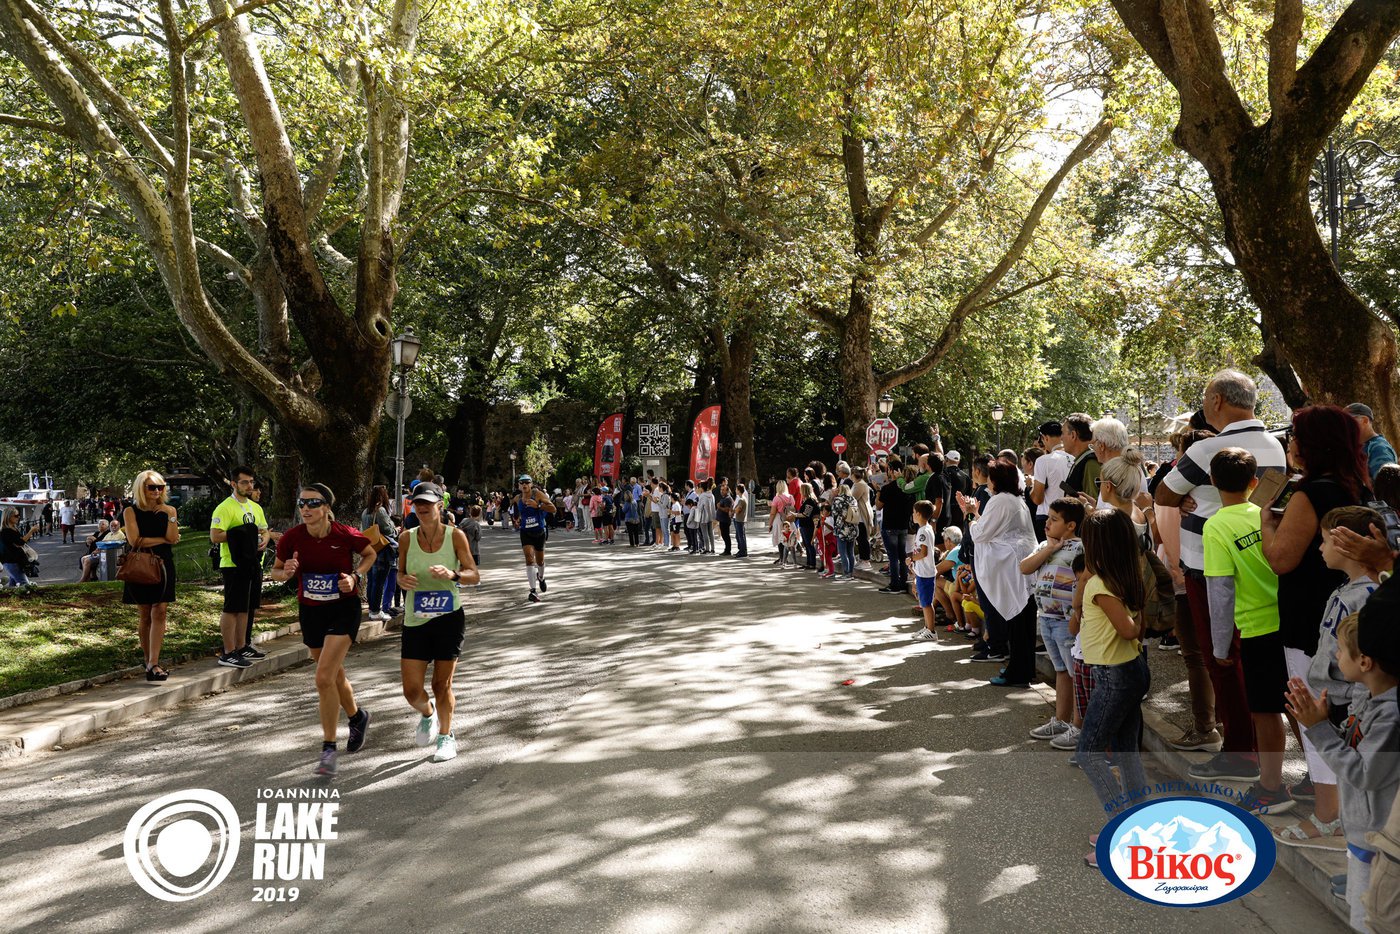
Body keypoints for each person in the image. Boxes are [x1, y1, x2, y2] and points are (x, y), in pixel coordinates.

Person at [1156, 370, 1287, 782]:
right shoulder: (1276, 447)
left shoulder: (1206, 449)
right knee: (1258, 663)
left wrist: (1192, 498)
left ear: (1216, 401)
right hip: (1261, 563)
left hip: (1208, 568)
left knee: (1222, 660)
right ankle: (1259, 754)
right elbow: (1264, 503)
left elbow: (1164, 493)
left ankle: (1239, 754)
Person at [1262, 405, 1369, 803]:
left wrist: (1266, 523)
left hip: (1312, 621)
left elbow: (1280, 559)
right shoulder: (1359, 487)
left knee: (1314, 711)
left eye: (1295, 436)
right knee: (1348, 715)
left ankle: (1326, 813)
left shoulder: (1310, 493)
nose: (1290, 443)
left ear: (1313, 444)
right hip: (1352, 616)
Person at [1285, 612, 1400, 932]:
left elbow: (1363, 773)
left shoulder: (1389, 716)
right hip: (1363, 834)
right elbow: (1355, 753)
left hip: (1376, 840)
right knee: (1362, 915)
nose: (1335, 655)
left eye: (1340, 649)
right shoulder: (1372, 700)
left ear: (1364, 661)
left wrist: (1319, 729)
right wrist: (1322, 724)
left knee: (1370, 922)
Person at [1202, 448, 1294, 815]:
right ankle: (1316, 781)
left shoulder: (1216, 526)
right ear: (1254, 481)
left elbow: (1220, 591)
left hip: (1257, 627)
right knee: (1299, 705)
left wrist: (1220, 645)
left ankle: (1271, 788)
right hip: (1292, 622)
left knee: (1266, 712)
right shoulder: (1269, 512)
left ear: (1212, 481)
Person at [270, 484, 377, 777]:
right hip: (311, 612)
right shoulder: (292, 538)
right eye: (301, 503)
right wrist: (285, 572)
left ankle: (329, 749)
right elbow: (275, 571)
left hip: (343, 610)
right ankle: (357, 717)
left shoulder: (345, 534)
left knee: (323, 677)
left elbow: (370, 554)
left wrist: (356, 577)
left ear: (327, 507)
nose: (305, 508)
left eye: (313, 503)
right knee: (333, 675)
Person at [1074, 508, 1150, 866]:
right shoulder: (1120, 578)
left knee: (1088, 753)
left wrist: (1135, 623)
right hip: (1126, 671)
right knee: (1125, 752)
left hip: (1115, 677)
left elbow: (1128, 629)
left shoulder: (1100, 584)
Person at [396, 483, 479, 763]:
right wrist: (402, 580)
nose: (421, 507)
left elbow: (474, 575)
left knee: (441, 685)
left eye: (427, 503)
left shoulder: (455, 536)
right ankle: (428, 713)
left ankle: (446, 736)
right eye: (417, 503)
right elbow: (399, 573)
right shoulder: (406, 538)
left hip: (448, 619)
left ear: (439, 505)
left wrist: (453, 575)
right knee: (411, 690)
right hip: (416, 619)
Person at [960, 457, 1037, 683]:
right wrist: (975, 514)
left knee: (1017, 623)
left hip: (1011, 568)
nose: (988, 481)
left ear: (997, 480)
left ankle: (1017, 673)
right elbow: (991, 528)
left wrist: (969, 514)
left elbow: (980, 534)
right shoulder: (1015, 499)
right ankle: (1022, 670)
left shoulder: (1000, 500)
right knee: (1022, 623)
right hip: (1020, 565)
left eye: (991, 477)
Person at [1021, 497, 1085, 741]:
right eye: (1048, 518)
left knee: (1075, 673)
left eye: (1054, 519)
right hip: (1046, 618)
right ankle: (1061, 720)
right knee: (1061, 670)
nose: (1047, 523)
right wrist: (1049, 549)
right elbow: (1025, 567)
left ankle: (1078, 727)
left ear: (1071, 525)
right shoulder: (1045, 546)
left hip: (1066, 620)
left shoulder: (1080, 548)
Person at [209, 466, 270, 669]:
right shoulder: (225, 507)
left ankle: (242, 646)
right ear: (234, 484)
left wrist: (265, 538)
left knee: (245, 607)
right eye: (244, 482)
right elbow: (215, 535)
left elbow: (263, 529)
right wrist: (244, 534)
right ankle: (228, 652)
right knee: (232, 608)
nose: (249, 486)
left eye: (251, 482)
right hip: (232, 564)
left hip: (253, 563)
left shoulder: (255, 507)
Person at [122, 470, 179, 681]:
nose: (157, 491)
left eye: (160, 487)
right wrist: (163, 540)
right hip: (141, 564)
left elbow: (173, 537)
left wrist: (170, 514)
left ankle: (154, 662)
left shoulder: (169, 510)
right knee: (145, 613)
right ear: (141, 488)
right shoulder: (130, 511)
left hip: (164, 564)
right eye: (152, 487)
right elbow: (135, 541)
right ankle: (148, 661)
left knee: (160, 611)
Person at [513, 475, 556, 603]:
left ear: (531, 484)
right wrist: (517, 519)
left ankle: (541, 577)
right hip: (525, 532)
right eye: (522, 483)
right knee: (529, 559)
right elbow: (516, 511)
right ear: (519, 485)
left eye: (527, 482)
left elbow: (553, 509)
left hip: (539, 531)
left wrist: (538, 506)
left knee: (540, 561)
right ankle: (533, 591)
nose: (524, 485)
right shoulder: (517, 498)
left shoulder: (538, 494)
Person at [361, 485, 399, 622]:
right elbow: (388, 530)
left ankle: (372, 609)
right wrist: (395, 529)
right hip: (381, 550)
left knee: (372, 580)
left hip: (369, 549)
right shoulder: (380, 510)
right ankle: (376, 611)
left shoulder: (365, 511)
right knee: (379, 582)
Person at [1030, 421, 1073, 541]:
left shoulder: (1043, 461)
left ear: (1045, 438)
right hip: (1070, 517)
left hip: (1047, 516)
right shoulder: (1074, 458)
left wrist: (1031, 488)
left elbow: (1038, 499)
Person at [877, 455, 912, 594]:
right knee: (902, 555)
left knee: (893, 556)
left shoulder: (887, 488)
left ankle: (894, 584)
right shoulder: (907, 487)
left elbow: (878, 506)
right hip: (903, 525)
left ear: (891, 471)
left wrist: (878, 491)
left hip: (890, 525)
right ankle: (903, 582)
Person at [908, 500, 941, 642]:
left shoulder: (923, 531)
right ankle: (927, 627)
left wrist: (912, 558)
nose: (913, 515)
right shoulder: (925, 529)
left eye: (914, 512)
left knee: (926, 603)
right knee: (924, 602)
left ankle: (931, 631)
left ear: (919, 514)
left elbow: (923, 552)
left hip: (926, 572)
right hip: (924, 571)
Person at [1347, 403, 1398, 480]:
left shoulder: (1379, 449)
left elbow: (1386, 484)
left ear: (1365, 420)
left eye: (1348, 421)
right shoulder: (1361, 445)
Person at [1062, 413, 1101, 500]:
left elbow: (1093, 502)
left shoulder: (1090, 463)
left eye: (1063, 433)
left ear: (1073, 435)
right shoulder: (1082, 460)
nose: (1061, 438)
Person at [1, 508, 37, 592]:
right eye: (16, 516)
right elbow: (20, 542)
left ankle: (10, 598)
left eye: (19, 515)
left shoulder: (13, 528)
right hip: (11, 561)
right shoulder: (6, 531)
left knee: (14, 585)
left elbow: (20, 541)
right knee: (25, 585)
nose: (18, 517)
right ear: (8, 517)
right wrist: (31, 531)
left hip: (16, 560)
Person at [716, 479, 734, 555]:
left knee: (726, 535)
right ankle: (726, 549)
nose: (721, 491)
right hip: (722, 520)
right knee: (724, 535)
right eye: (721, 490)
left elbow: (727, 510)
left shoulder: (727, 499)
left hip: (725, 520)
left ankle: (728, 550)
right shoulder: (724, 498)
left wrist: (719, 507)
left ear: (727, 491)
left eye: (723, 490)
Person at [733, 480, 749, 558]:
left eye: (736, 489)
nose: (735, 490)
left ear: (739, 490)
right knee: (740, 535)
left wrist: (734, 511)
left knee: (740, 536)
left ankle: (743, 551)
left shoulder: (741, 499)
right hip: (740, 519)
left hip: (739, 519)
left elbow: (737, 510)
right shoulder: (742, 498)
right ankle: (742, 550)